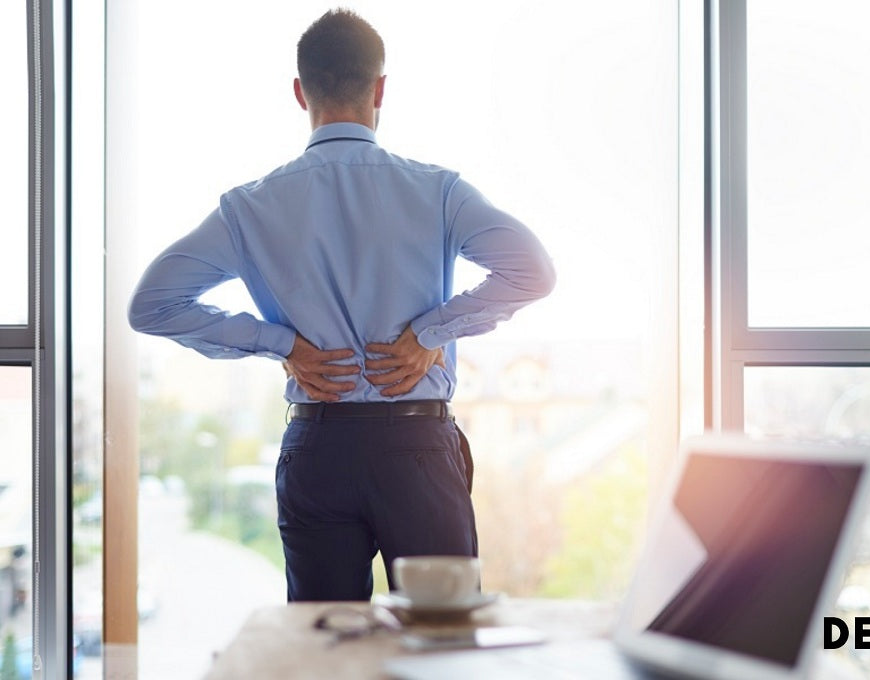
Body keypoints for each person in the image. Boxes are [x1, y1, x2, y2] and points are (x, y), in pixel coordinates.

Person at [128, 8, 555, 601]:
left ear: (300, 93)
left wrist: (282, 345)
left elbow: (151, 304)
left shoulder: (250, 206)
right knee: (442, 640)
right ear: (381, 89)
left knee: (322, 648)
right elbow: (531, 270)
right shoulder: (437, 191)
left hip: (318, 449)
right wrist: (428, 334)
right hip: (418, 449)